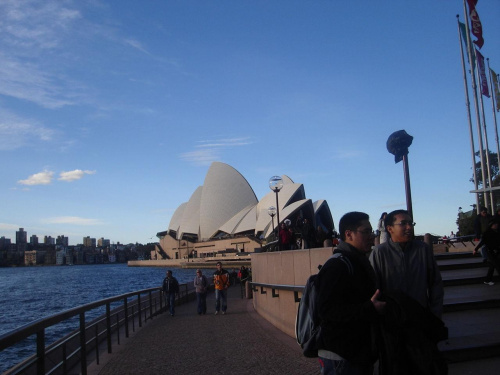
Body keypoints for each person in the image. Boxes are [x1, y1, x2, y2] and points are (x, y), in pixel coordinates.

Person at [317, 211, 385, 375]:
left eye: (372, 231)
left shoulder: (358, 261)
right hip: (340, 357)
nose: (371, 236)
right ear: (349, 234)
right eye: (366, 232)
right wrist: (370, 308)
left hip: (357, 353)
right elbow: (327, 312)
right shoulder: (337, 266)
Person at [369, 209, 444, 318]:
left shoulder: (423, 250)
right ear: (390, 228)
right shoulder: (379, 252)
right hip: (392, 319)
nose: (409, 227)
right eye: (403, 223)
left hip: (421, 316)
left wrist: (435, 313)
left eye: (410, 223)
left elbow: (435, 283)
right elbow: (374, 287)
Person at [473, 218, 500, 285]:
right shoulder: (487, 233)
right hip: (490, 251)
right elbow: (482, 242)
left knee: (492, 266)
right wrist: (476, 249)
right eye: (495, 224)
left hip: (496, 251)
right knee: (497, 265)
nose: (496, 225)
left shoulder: (496, 232)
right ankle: (488, 280)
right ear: (491, 225)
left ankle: (487, 280)